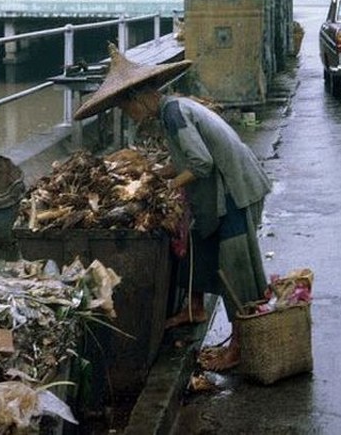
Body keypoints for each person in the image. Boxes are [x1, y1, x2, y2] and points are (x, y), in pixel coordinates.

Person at [73, 44, 271, 371]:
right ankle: (194, 308)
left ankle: (240, 346)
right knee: (199, 243)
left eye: (127, 109)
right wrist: (151, 172)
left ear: (139, 96)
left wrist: (166, 186)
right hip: (225, 187)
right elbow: (186, 160)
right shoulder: (171, 111)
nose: (130, 116)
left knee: (236, 271)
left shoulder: (173, 112)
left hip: (234, 189)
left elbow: (202, 164)